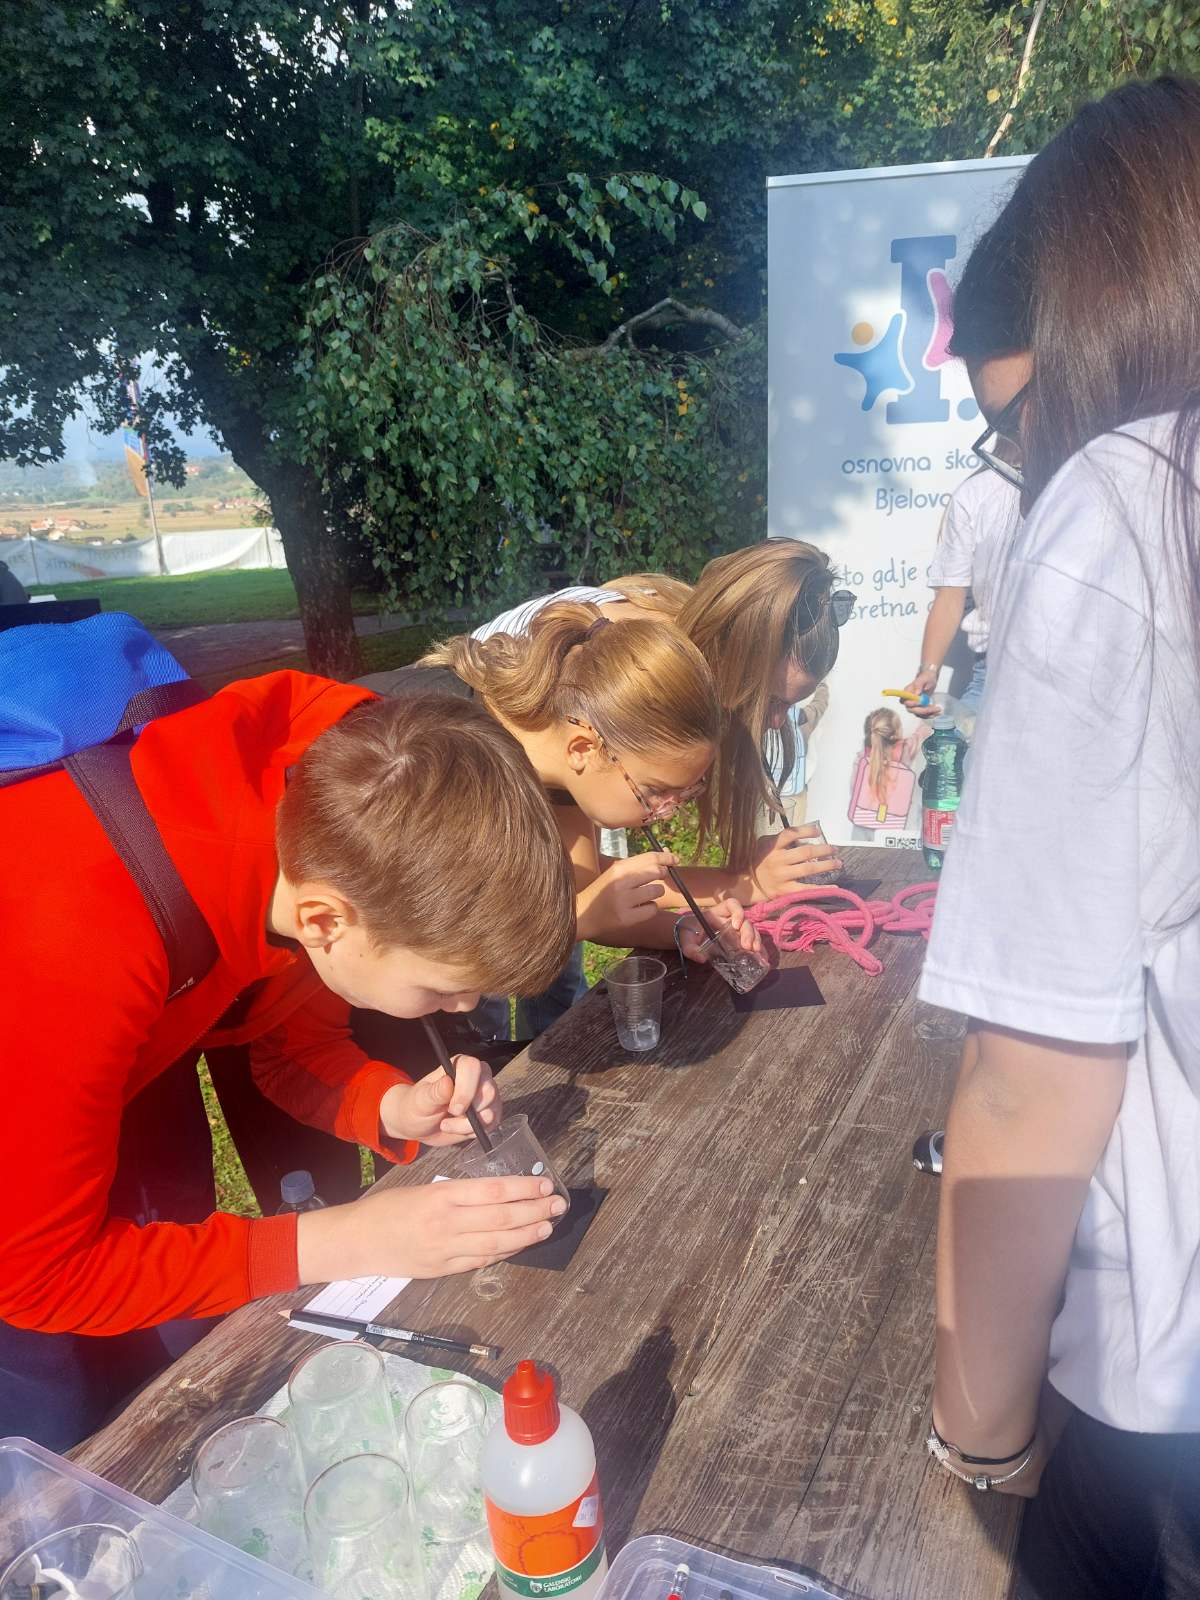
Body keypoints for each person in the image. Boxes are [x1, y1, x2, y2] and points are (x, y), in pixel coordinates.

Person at [0, 675, 577, 1449]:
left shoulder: (327, 824)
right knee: (57, 1429)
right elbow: (36, 1277)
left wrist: (391, 1106)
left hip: (78, 1068)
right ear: (325, 920)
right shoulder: (81, 937)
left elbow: (282, 1044)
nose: (462, 1009)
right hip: (35, 1066)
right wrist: (350, 1239)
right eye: (444, 987)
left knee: (169, 1370)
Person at [919, 76, 1200, 1599]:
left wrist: (982, 1439)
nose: (1025, 471)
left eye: (1016, 428)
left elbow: (1031, 1078)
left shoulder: (1127, 506)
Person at [362, 600, 764, 972]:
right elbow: (435, 946)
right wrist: (587, 914)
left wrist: (680, 930)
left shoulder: (561, 759)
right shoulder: (442, 755)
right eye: (654, 791)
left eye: (683, 793)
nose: (667, 810)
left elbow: (586, 900)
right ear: (584, 748)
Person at [473, 540, 850, 906]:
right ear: (732, 659)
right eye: (770, 700)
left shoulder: (676, 652)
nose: (776, 721)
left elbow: (587, 888)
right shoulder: (628, 670)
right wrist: (743, 883)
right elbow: (581, 895)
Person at [902, 469, 1021, 716]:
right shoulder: (977, 492)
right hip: (992, 671)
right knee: (963, 740)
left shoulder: (1085, 480)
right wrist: (928, 671)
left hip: (1074, 667)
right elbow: (949, 596)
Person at [847, 708, 924, 834]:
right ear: (895, 734)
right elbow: (922, 733)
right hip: (893, 825)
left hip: (862, 821)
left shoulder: (863, 756)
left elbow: (853, 788)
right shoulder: (904, 750)